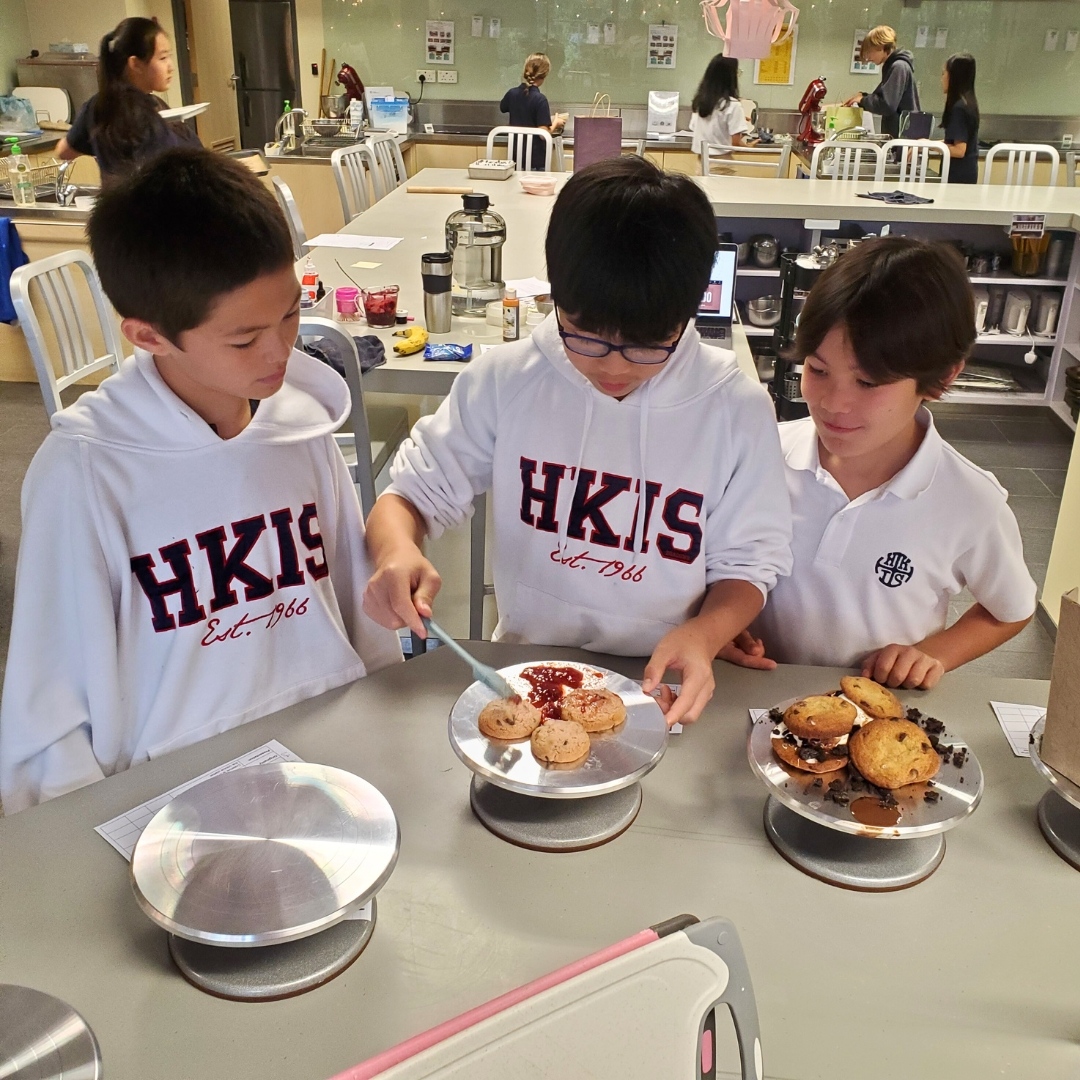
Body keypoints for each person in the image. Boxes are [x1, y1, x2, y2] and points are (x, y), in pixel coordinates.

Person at [0, 148, 402, 812]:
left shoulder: (299, 417)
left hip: (329, 761)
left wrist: (385, 725)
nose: (279, 353)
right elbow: (49, 707)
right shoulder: (86, 472)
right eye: (244, 340)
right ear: (149, 336)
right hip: (174, 798)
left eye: (291, 315)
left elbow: (357, 611)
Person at [362, 156, 793, 728]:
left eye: (645, 345)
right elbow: (410, 497)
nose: (614, 366)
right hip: (527, 665)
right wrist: (397, 551)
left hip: (664, 678)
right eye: (585, 337)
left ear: (688, 312)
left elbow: (749, 565)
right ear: (555, 297)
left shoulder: (733, 407)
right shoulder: (509, 380)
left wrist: (706, 632)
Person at [720, 237, 1035, 690]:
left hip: (876, 714)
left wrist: (932, 654)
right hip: (748, 695)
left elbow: (1012, 610)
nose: (834, 403)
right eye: (818, 369)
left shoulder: (970, 502)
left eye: (868, 382)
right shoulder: (762, 456)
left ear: (943, 375)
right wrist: (723, 619)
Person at [57, 17, 197, 182]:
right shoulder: (138, 115)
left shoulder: (98, 106)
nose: (170, 66)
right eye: (162, 58)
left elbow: (63, 151)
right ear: (135, 64)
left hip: (120, 206)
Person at [844, 26, 917, 139]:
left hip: (903, 139)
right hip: (899, 137)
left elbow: (886, 105)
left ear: (881, 47)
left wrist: (863, 100)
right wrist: (864, 97)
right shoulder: (893, 66)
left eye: (869, 52)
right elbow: (882, 97)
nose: (868, 58)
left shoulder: (898, 66)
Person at [499, 53, 566, 170]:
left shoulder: (512, 94)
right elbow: (542, 134)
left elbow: (503, 108)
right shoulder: (540, 99)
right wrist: (555, 122)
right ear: (544, 76)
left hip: (515, 159)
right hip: (536, 160)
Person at [689, 55, 755, 156]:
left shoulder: (700, 102)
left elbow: (696, 128)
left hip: (701, 162)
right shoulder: (733, 105)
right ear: (730, 76)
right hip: (722, 163)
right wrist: (749, 147)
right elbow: (735, 143)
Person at [940, 53, 980, 185]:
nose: (942, 78)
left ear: (954, 77)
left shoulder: (959, 108)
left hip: (958, 178)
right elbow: (953, 141)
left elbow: (959, 150)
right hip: (967, 174)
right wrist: (928, 143)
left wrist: (929, 146)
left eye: (944, 73)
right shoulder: (968, 103)